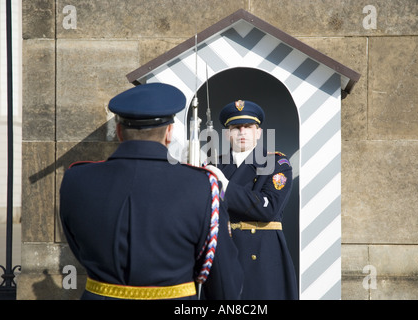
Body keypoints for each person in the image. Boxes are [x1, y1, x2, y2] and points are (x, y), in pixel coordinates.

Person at [59, 83, 243, 300]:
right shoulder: (203, 187)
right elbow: (224, 282)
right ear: (169, 133)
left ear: (119, 131)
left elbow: (78, 248)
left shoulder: (76, 179)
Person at [206, 99, 298, 300]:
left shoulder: (277, 163)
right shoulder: (215, 165)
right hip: (223, 253)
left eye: (248, 127)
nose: (242, 132)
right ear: (227, 133)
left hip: (263, 257)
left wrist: (225, 186)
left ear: (258, 132)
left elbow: (268, 209)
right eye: (235, 127)